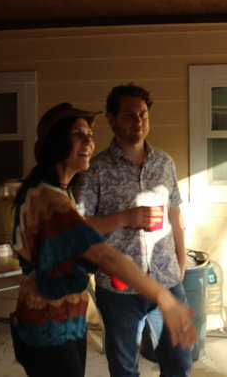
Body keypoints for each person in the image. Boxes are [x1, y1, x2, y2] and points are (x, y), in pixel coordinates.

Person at [10, 102, 196, 377]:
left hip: (66, 321)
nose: (88, 142)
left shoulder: (59, 192)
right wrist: (163, 297)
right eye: (78, 134)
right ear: (56, 142)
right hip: (48, 326)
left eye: (89, 135)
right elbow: (103, 255)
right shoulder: (48, 198)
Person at [77, 84, 192, 376]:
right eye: (129, 114)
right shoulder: (95, 169)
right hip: (119, 289)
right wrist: (125, 218)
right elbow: (80, 227)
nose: (138, 121)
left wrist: (180, 264)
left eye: (143, 114)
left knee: (179, 364)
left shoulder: (164, 163)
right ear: (111, 119)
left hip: (166, 279)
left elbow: (175, 215)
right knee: (124, 368)